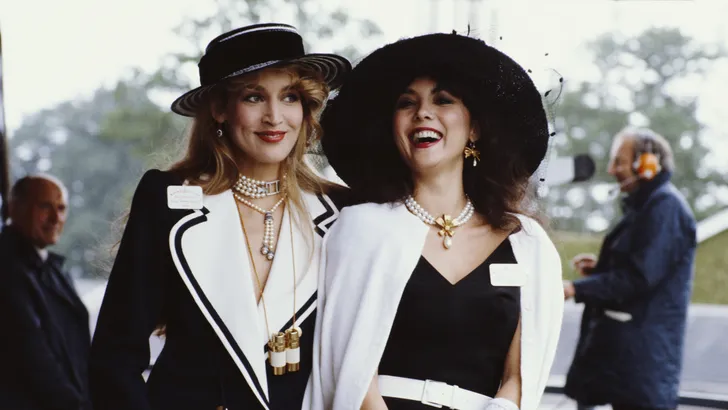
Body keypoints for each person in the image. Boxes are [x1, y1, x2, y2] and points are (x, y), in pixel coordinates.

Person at [88, 23, 352, 410]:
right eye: (254, 97)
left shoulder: (342, 211)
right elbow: (114, 358)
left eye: (290, 97)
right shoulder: (166, 199)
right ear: (219, 109)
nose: (275, 116)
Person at [305, 32, 564, 410]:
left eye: (443, 100)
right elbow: (348, 371)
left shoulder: (528, 244)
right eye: (406, 103)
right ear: (392, 128)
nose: (423, 113)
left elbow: (521, 378)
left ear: (475, 128)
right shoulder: (361, 228)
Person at [562, 127, 696, 410]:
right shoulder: (648, 206)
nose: (611, 170)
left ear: (647, 164)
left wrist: (575, 288)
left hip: (641, 366)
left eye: (618, 162)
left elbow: (638, 277)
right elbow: (644, 265)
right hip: (625, 364)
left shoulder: (665, 208)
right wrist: (602, 268)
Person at [0, 174, 93, 410]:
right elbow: (31, 354)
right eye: (44, 207)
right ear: (13, 208)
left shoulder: (52, 269)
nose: (55, 218)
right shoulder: (7, 269)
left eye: (61, 208)